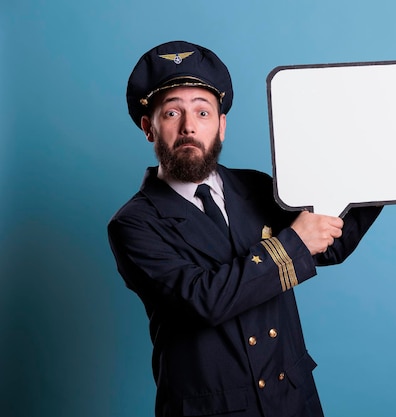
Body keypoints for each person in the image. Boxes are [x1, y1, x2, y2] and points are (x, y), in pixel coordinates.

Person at [108, 40, 382, 417]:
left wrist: (386, 172)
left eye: (203, 113)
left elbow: (328, 243)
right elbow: (202, 300)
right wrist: (292, 243)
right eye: (172, 113)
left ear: (221, 126)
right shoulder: (134, 224)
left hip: (293, 401)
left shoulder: (255, 185)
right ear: (149, 128)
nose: (190, 126)